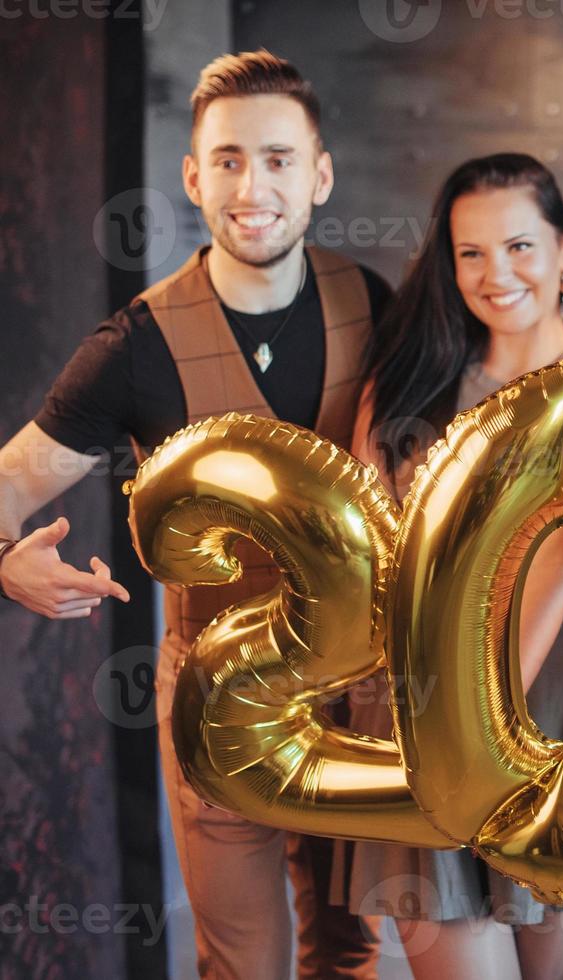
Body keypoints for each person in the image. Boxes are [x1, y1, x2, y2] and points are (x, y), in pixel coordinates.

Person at [0, 51, 391, 978]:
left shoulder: (371, 303)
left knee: (350, 954)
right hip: (217, 711)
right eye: (226, 160)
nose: (252, 186)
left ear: (320, 174)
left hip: (356, 691)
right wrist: (3, 558)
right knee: (242, 964)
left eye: (278, 159)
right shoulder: (133, 347)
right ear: (192, 176)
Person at [338, 153, 563, 980]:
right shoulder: (407, 388)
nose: (495, 273)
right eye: (470, 252)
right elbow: (370, 555)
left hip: (562, 738)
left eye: (519, 247)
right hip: (424, 729)